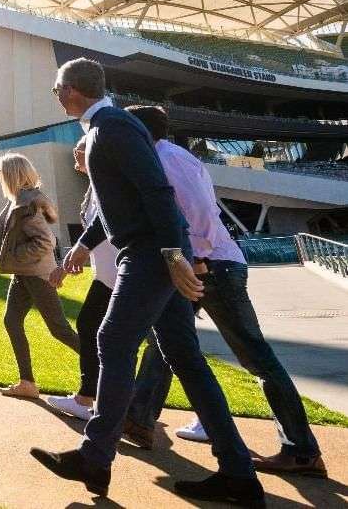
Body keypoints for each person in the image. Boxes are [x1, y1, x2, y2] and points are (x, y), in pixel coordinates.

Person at [30, 58, 264, 506]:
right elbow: (125, 203)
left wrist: (177, 256)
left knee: (112, 341)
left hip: (149, 256)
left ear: (71, 91)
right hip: (153, 252)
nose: (56, 97)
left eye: (57, 89)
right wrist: (85, 247)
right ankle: (239, 474)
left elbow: (157, 192)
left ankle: (94, 457)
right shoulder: (110, 128)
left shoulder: (110, 127)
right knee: (186, 360)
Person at [123, 105, 325, 478]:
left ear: (139, 131)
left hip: (212, 267)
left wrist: (197, 256)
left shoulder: (169, 159)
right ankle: (137, 419)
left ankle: (301, 450)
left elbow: (199, 211)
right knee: (166, 342)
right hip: (206, 264)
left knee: (255, 357)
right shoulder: (168, 157)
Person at [0, 151, 81, 399]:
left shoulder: (28, 203)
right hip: (23, 275)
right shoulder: (18, 200)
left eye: (0, 172)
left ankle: (107, 376)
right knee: (12, 321)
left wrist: (15, 256)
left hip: (36, 274)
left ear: (12, 174)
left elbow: (46, 241)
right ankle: (27, 383)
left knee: (59, 329)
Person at [44, 134, 118, 422]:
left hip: (123, 274)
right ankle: (91, 396)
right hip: (108, 274)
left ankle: (96, 398)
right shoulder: (96, 187)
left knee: (166, 347)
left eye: (78, 157)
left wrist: (76, 255)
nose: (76, 165)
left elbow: (102, 226)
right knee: (91, 326)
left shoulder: (108, 184)